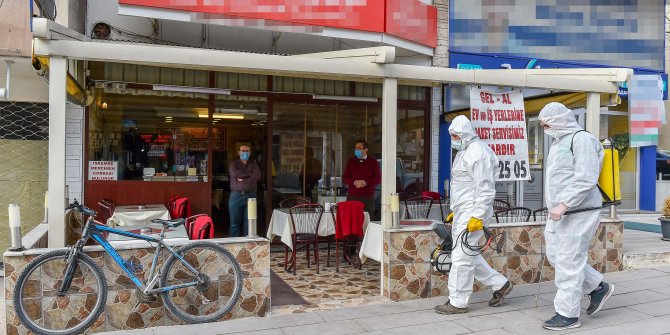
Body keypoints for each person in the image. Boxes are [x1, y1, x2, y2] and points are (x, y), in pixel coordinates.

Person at [538, 102, 614, 330]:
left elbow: (585, 177)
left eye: (546, 124)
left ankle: (567, 315)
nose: (545, 128)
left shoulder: (582, 139)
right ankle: (597, 287)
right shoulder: (559, 142)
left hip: (579, 212)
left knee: (569, 261)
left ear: (559, 120)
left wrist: (564, 204)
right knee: (555, 256)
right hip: (559, 213)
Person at [434, 115, 513, 315]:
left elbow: (485, 189)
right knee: (466, 253)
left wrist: (476, 215)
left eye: (455, 135)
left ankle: (458, 302)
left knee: (461, 256)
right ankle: (501, 284)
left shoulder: (478, 153)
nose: (453, 138)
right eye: (451, 135)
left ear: (465, 133)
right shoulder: (465, 150)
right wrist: (456, 211)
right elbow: (465, 186)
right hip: (465, 210)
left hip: (474, 211)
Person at [228, 144, 261, 237]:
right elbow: (235, 173)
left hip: (250, 196)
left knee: (249, 223)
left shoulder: (254, 163)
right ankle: (234, 245)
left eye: (247, 151)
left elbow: (257, 176)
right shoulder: (234, 164)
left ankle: (248, 246)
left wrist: (243, 179)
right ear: (239, 152)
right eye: (243, 151)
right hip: (236, 196)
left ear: (250, 152)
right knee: (234, 223)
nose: (245, 153)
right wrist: (249, 175)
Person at [343, 140, 381, 215]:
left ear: (366, 149)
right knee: (351, 219)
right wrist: (354, 182)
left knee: (367, 219)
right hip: (352, 196)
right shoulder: (351, 161)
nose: (357, 149)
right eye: (356, 148)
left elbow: (378, 178)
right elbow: (345, 178)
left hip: (367, 197)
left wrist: (366, 183)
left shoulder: (373, 162)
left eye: (359, 148)